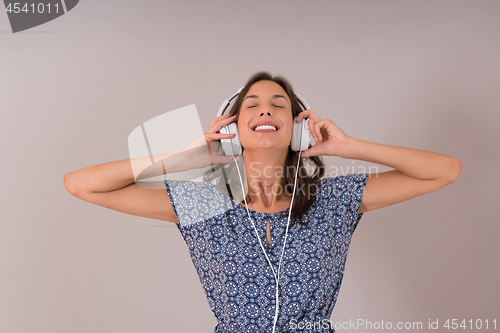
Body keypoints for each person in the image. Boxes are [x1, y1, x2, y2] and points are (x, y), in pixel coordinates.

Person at [64, 71, 462, 333]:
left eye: (278, 104)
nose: (265, 109)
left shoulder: (334, 198)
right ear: (233, 129)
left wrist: (349, 146)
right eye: (251, 105)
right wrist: (181, 158)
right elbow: (81, 184)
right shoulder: (204, 206)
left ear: (298, 129)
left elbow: (445, 169)